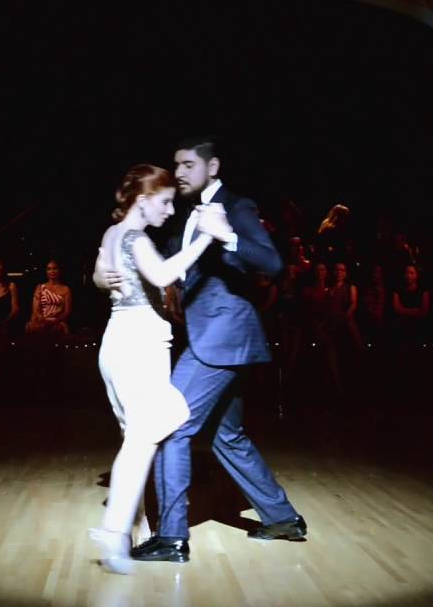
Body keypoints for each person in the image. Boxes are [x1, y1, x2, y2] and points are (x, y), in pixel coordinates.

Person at [131, 136, 307, 565]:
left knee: (170, 428)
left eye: (189, 164)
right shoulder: (187, 216)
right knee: (228, 437)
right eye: (177, 165)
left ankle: (172, 538)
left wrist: (227, 236)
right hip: (216, 339)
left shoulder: (237, 206)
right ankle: (282, 517)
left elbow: (273, 264)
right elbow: (165, 267)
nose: (181, 172)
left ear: (212, 168)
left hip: (221, 340)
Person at [88, 163, 225, 574]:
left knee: (138, 438)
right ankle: (114, 535)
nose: (169, 211)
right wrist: (206, 236)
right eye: (164, 202)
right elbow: (165, 272)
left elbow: (102, 273)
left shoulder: (112, 234)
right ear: (143, 200)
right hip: (138, 345)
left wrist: (99, 278)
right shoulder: (134, 236)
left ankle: (136, 530)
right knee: (153, 431)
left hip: (118, 342)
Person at [26, 260, 73, 336]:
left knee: (56, 330)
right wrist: (42, 320)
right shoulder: (40, 287)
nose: (52, 271)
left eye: (55, 268)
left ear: (59, 270)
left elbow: (67, 311)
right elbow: (35, 309)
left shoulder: (66, 289)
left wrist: (55, 321)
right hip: (41, 320)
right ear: (46, 272)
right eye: (49, 269)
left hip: (57, 321)